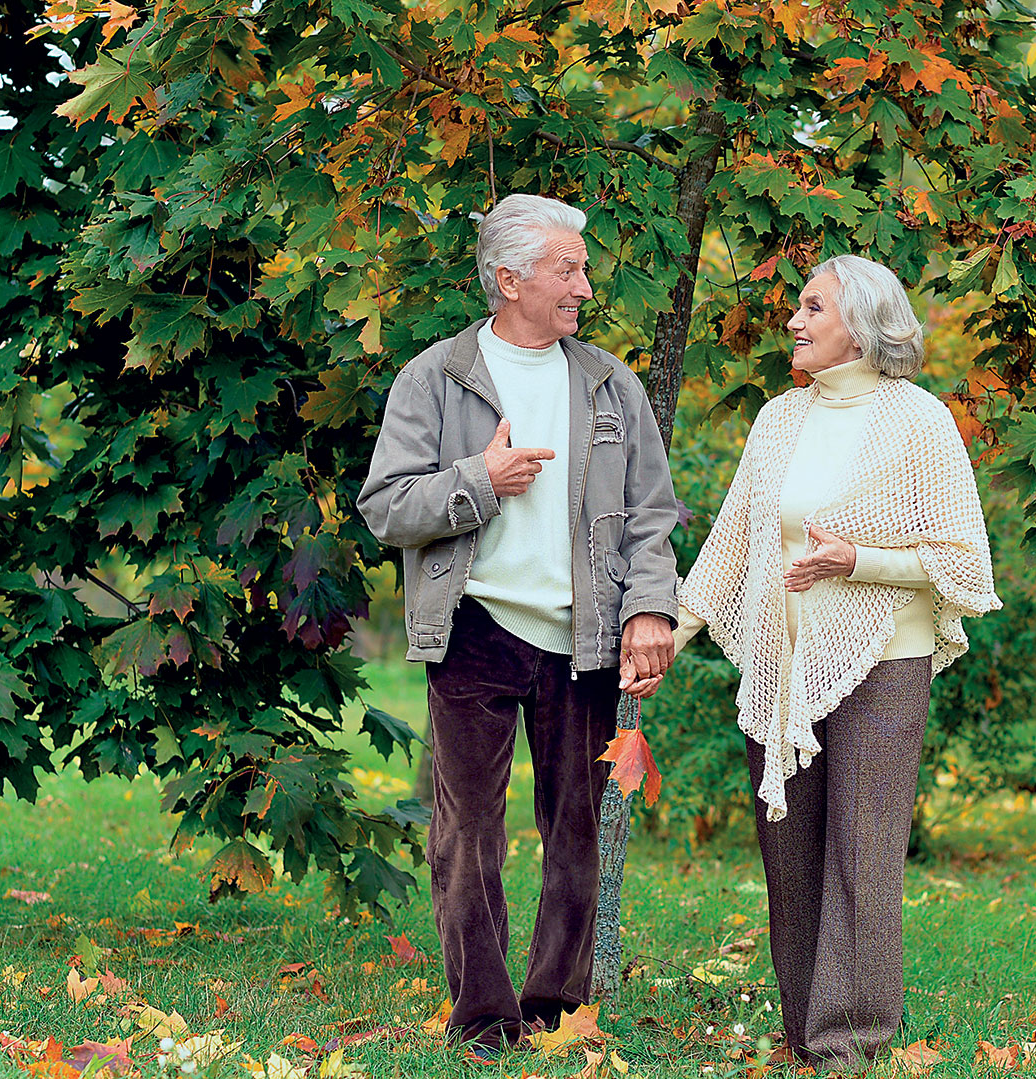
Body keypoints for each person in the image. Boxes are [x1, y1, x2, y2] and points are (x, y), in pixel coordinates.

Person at [357, 193, 680, 1052]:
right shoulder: (433, 378)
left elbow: (653, 516)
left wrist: (650, 606)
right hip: (475, 630)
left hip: (585, 637)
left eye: (581, 265)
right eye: (566, 268)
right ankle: (484, 1015)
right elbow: (385, 505)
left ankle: (554, 1005)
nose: (584, 282)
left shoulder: (611, 382)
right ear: (509, 278)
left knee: (575, 824)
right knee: (469, 830)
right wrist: (478, 478)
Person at [668, 254, 1000, 1072]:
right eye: (797, 306)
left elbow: (963, 559)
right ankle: (802, 1030)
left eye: (813, 307)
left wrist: (859, 559)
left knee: (863, 850)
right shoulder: (780, 418)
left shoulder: (918, 421)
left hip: (887, 659)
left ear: (863, 322)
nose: (794, 320)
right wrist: (671, 632)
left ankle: (848, 1040)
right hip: (786, 661)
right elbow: (735, 535)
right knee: (790, 850)